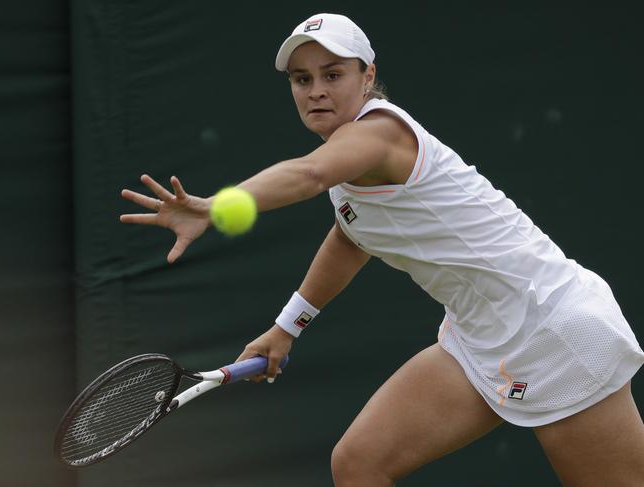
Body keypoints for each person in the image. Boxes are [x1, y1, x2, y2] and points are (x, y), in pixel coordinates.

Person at [120, 13, 644, 486]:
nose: (316, 91)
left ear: (368, 77)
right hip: (482, 340)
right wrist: (286, 327)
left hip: (553, 330)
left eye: (333, 74)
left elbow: (308, 173)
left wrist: (215, 207)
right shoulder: (352, 168)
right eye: (302, 80)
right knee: (359, 463)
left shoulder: (380, 134)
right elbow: (351, 237)